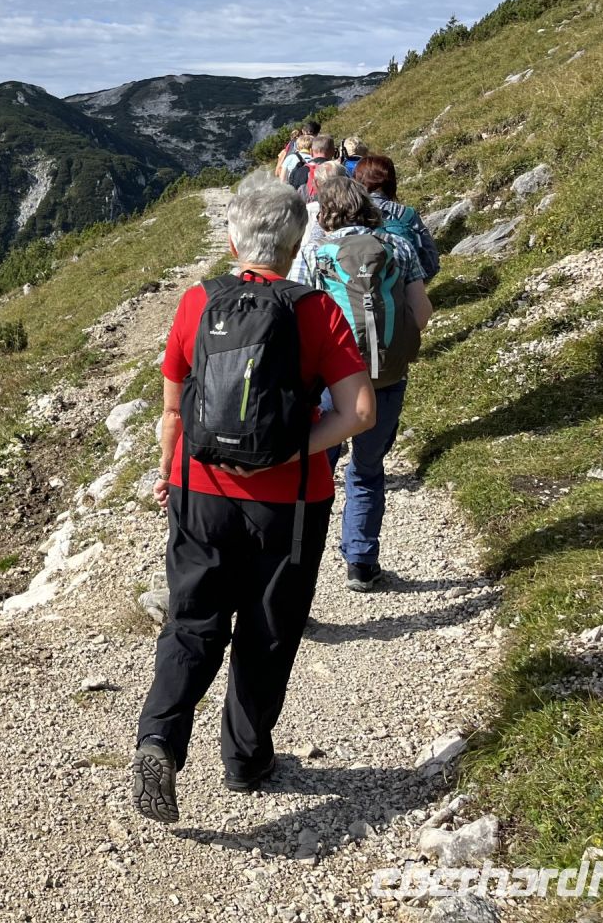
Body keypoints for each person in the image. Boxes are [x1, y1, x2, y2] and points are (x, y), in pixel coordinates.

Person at [132, 172, 375, 823]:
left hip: (198, 489)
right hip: (289, 503)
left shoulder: (197, 303)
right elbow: (359, 412)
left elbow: (173, 409)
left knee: (193, 621)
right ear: (296, 245)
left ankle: (160, 739)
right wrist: (291, 451)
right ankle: (245, 760)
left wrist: (168, 472)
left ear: (233, 240)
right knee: (268, 629)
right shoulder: (316, 310)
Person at [296, 176, 433, 590]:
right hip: (388, 375)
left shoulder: (316, 253)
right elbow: (422, 312)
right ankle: (361, 563)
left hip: (332, 381)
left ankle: (300, 561)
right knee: (367, 470)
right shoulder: (399, 247)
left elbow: (299, 318)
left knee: (317, 469)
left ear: (325, 212)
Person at [353, 153, 440, 282]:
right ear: (390, 181)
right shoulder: (406, 214)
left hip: (359, 287)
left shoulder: (350, 215)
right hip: (405, 286)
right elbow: (430, 258)